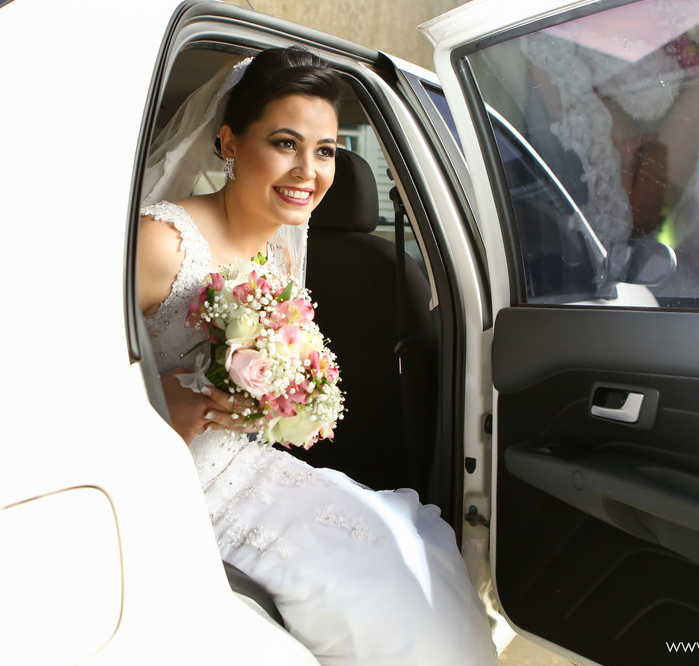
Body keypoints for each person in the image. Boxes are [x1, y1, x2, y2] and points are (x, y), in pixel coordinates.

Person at [137, 46, 498, 665]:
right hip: (168, 486)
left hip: (245, 470)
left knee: (406, 556)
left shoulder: (279, 253)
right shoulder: (163, 241)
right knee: (374, 600)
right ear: (229, 142)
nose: (308, 171)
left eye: (325, 151)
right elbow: (56, 362)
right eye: (285, 143)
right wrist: (155, 407)